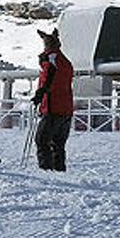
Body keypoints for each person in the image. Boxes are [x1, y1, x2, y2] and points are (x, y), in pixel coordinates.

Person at [31, 28, 74, 171]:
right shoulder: (66, 61)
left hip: (53, 108)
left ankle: (46, 171)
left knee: (42, 140)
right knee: (58, 144)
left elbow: (48, 79)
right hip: (66, 109)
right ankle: (59, 171)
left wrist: (40, 94)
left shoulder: (51, 59)